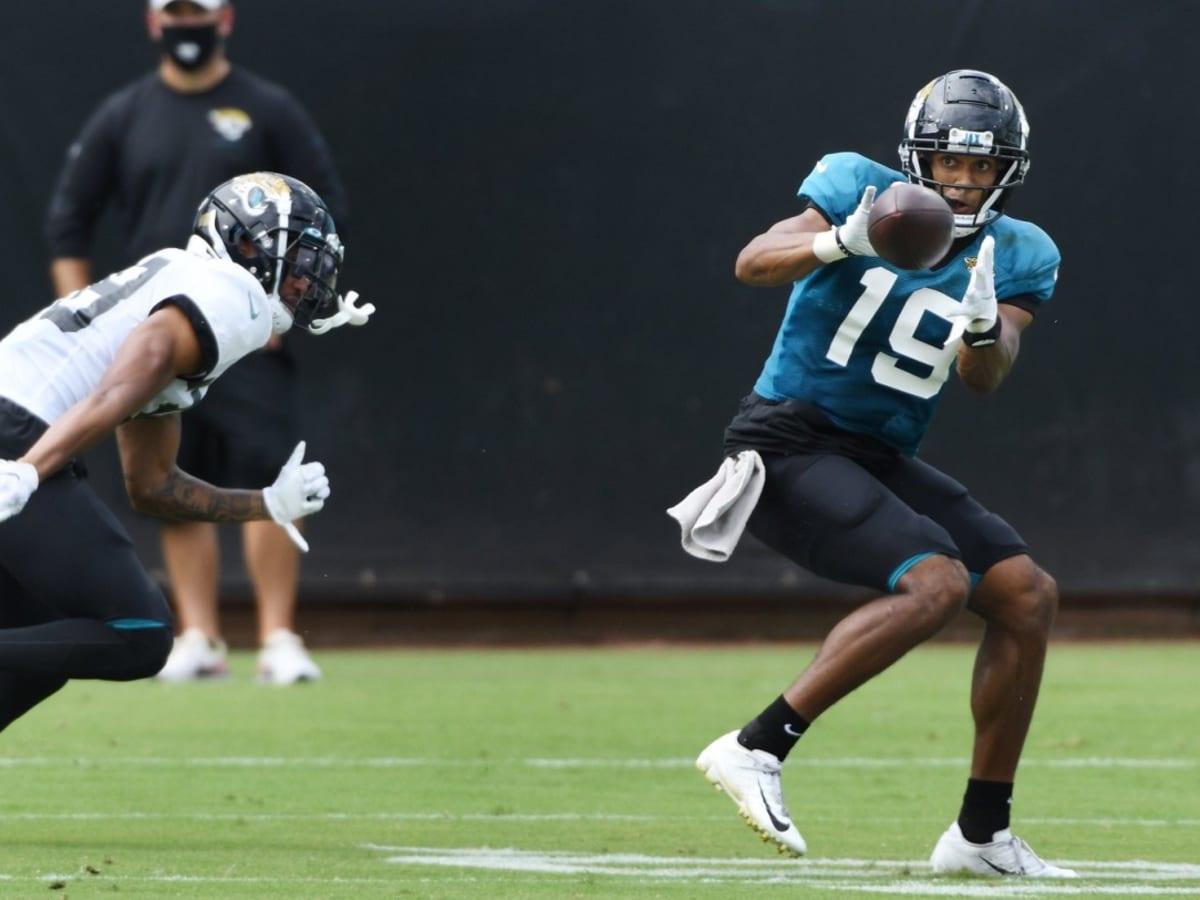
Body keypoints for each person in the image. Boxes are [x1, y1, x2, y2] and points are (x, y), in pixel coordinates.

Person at [673, 70, 1076, 877]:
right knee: (934, 583)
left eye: (982, 167)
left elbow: (983, 378)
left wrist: (987, 326)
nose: (962, 183)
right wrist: (841, 241)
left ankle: (980, 836)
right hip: (787, 442)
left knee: (1026, 595)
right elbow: (754, 262)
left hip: (879, 455)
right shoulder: (859, 188)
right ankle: (756, 747)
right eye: (948, 163)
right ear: (914, 158)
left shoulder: (1025, 251)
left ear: (1010, 170)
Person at [44, 0, 349, 684]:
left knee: (269, 469)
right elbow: (69, 222)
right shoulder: (125, 114)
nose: (187, 23)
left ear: (226, 18)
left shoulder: (267, 108)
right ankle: (201, 635)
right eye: (174, 11)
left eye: (198, 10)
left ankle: (276, 635)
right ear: (154, 21)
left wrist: (280, 308)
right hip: (156, 334)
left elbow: (324, 212)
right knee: (167, 474)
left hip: (249, 339)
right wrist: (84, 315)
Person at [0, 172, 371, 733]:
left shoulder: (186, 286)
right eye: (298, 257)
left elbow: (151, 484)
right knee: (139, 634)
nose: (306, 280)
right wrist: (29, 470)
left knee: (53, 629)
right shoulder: (234, 296)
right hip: (18, 432)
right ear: (248, 244)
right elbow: (141, 359)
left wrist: (266, 503)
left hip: (20, 428)